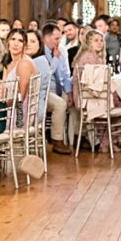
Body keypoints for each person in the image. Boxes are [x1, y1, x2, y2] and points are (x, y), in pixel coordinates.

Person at [41, 22, 73, 155]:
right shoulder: (40, 51)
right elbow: (46, 76)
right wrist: (55, 59)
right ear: (47, 38)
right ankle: (57, 140)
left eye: (60, 38)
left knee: (74, 100)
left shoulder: (62, 50)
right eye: (56, 38)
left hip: (59, 89)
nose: (59, 41)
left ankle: (76, 137)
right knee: (60, 104)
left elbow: (65, 74)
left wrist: (69, 92)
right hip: (44, 90)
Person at [3, 28, 36, 118]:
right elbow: (4, 91)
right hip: (9, 108)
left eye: (20, 41)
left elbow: (20, 98)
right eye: (13, 39)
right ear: (8, 42)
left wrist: (1, 106)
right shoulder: (8, 63)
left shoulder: (24, 63)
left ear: (24, 45)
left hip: (20, 114)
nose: (16, 44)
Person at [26, 29, 52, 124]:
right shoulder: (27, 61)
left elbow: (29, 91)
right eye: (26, 40)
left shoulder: (40, 61)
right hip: (27, 106)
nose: (28, 44)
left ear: (39, 45)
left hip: (32, 109)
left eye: (32, 41)